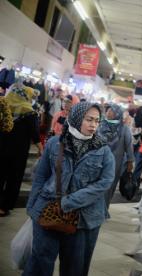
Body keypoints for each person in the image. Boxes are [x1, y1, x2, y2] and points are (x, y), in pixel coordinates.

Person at [24, 102, 115, 276]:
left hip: (84, 218)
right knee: (40, 261)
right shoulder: (54, 143)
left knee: (75, 267)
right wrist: (32, 207)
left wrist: (70, 202)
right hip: (48, 209)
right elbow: (41, 176)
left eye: (97, 120)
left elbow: (105, 182)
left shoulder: (103, 151)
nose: (93, 125)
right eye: (89, 119)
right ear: (76, 118)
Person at [0, 84, 42, 217]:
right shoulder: (29, 112)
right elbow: (35, 134)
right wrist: (41, 149)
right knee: (14, 178)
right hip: (18, 152)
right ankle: (5, 206)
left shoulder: (3, 106)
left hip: (1, 147)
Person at [98, 103, 134, 208]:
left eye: (112, 111)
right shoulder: (101, 125)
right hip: (99, 160)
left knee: (110, 185)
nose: (108, 113)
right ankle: (94, 208)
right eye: (108, 111)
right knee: (96, 183)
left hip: (115, 162)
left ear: (118, 113)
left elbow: (128, 146)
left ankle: (104, 208)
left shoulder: (124, 129)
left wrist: (130, 161)